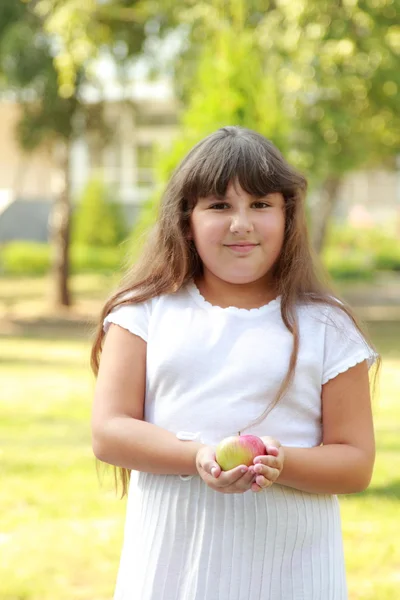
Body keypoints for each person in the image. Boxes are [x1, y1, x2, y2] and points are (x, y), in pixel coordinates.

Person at [91, 126, 379, 600]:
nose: (241, 223)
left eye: (261, 204)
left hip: (293, 576)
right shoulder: (142, 314)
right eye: (219, 205)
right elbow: (110, 431)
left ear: (288, 215)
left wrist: (281, 464)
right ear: (187, 219)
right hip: (171, 573)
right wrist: (196, 455)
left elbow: (355, 463)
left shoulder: (327, 326)